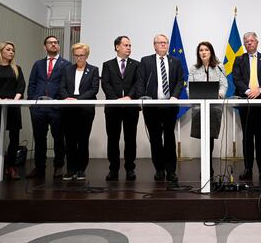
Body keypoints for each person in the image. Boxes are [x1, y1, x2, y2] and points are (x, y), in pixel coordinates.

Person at [136, 34, 184, 182]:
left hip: (170, 105)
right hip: (152, 106)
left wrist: (175, 96)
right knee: (155, 139)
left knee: (169, 138)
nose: (163, 45)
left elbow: (180, 81)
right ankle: (159, 169)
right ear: (154, 45)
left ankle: (171, 171)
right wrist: (143, 96)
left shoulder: (175, 61)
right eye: (160, 43)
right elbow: (140, 81)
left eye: (165, 43)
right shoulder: (146, 61)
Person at [27, 36, 71, 179]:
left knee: (58, 138)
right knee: (39, 138)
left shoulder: (66, 64)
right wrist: (32, 102)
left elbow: (66, 85)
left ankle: (59, 166)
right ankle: (39, 167)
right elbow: (32, 83)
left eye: (56, 43)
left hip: (56, 107)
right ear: (44, 47)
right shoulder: (38, 64)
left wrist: (60, 101)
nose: (53, 44)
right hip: (38, 107)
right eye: (50, 43)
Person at [232, 32, 261, 181]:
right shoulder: (239, 59)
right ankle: (248, 169)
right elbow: (236, 78)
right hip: (246, 102)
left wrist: (260, 90)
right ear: (244, 44)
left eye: (252, 41)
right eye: (246, 41)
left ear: (257, 42)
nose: (249, 43)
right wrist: (249, 91)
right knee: (247, 137)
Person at [101, 36, 140, 181]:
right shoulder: (107, 65)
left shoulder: (137, 64)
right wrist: (116, 99)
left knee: (130, 139)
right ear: (117, 47)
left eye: (130, 45)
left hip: (131, 108)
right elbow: (105, 84)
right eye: (126, 45)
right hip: (113, 108)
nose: (129, 48)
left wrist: (129, 97)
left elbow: (138, 83)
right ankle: (113, 170)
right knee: (113, 139)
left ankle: (130, 169)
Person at [59, 43, 99, 181]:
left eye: (81, 55)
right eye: (76, 55)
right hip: (69, 109)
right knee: (70, 140)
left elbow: (94, 90)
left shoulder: (93, 70)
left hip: (85, 110)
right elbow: (62, 87)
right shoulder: (67, 69)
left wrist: (77, 99)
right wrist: (67, 97)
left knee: (82, 140)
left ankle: (81, 169)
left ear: (86, 55)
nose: (79, 58)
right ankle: (71, 170)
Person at [187, 41, 228, 177]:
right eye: (201, 50)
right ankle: (205, 167)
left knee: (210, 138)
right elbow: (189, 87)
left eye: (206, 50)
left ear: (211, 52)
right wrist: (193, 94)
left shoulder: (219, 67)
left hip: (214, 107)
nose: (203, 52)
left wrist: (220, 94)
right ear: (198, 53)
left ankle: (208, 167)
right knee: (203, 138)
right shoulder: (194, 68)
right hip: (199, 108)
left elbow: (224, 85)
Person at [0, 41, 25, 180]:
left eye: (13, 50)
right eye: (8, 49)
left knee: (14, 137)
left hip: (13, 106)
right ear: (1, 51)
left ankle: (11, 166)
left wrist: (14, 99)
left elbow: (21, 86)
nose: (11, 52)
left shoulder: (17, 68)